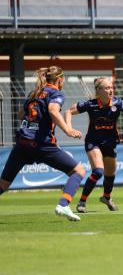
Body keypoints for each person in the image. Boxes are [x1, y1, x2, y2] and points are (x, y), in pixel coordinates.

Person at [0, 66, 85, 221]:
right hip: (41, 144)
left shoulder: (34, 93)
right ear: (60, 79)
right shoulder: (56, 93)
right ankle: (63, 205)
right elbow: (53, 110)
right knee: (78, 171)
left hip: (23, 143)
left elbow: (21, 115)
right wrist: (68, 130)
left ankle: (64, 206)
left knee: (3, 185)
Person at [65, 77, 123, 213]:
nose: (110, 90)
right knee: (98, 171)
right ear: (98, 90)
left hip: (110, 142)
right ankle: (82, 202)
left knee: (110, 174)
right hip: (93, 142)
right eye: (107, 88)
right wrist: (69, 128)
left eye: (111, 87)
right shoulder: (90, 104)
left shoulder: (118, 103)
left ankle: (106, 197)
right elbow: (68, 111)